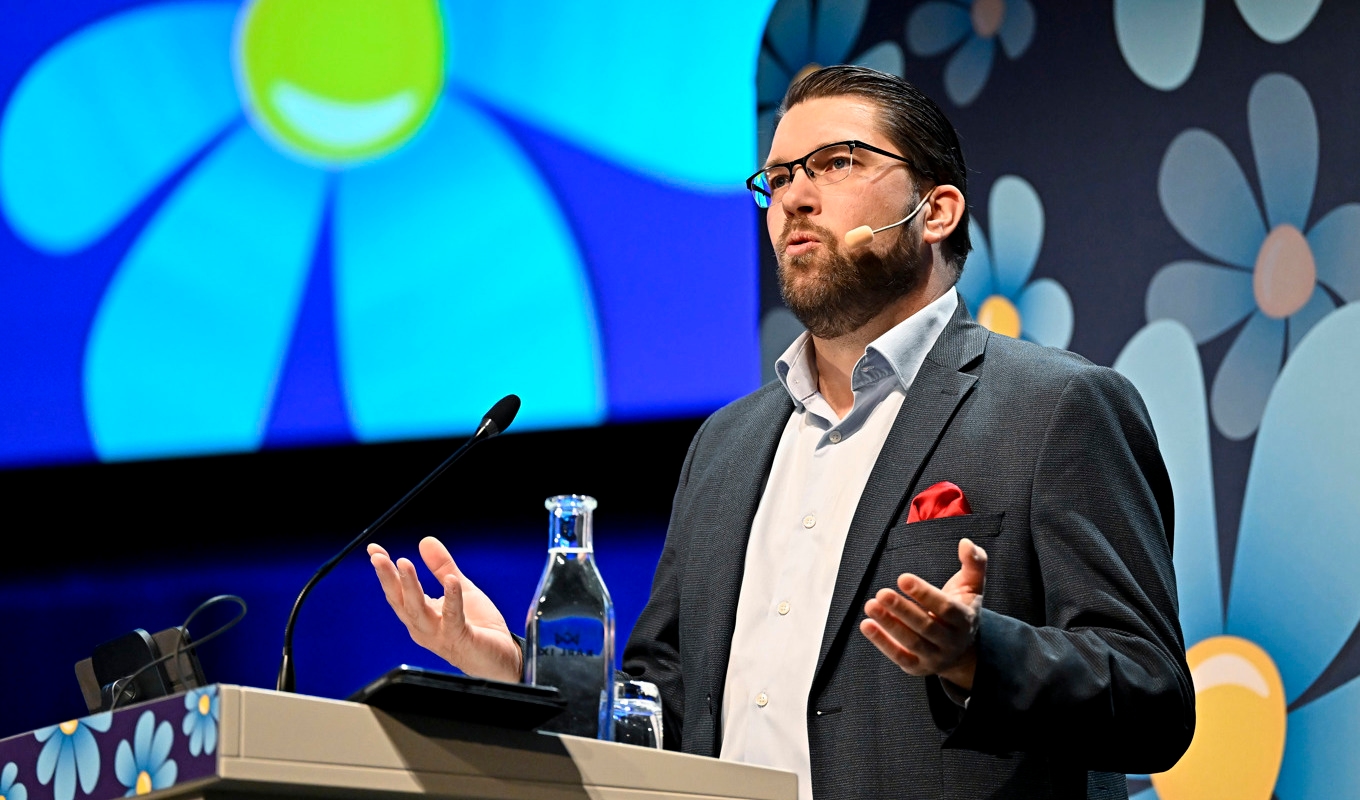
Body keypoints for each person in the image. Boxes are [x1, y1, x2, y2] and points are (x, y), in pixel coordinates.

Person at [368, 65, 1194, 799]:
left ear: (935, 209)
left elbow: (1153, 702)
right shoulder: (724, 447)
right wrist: (526, 673)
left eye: (838, 163)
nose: (795, 196)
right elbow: (667, 711)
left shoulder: (1054, 407)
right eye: (777, 177)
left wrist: (979, 654)